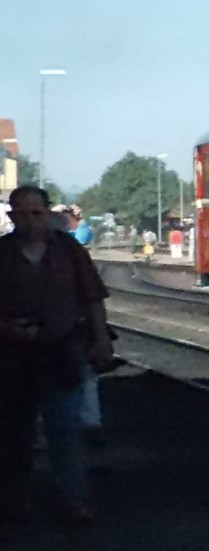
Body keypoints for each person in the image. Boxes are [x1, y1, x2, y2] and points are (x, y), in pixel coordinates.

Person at [0, 185, 113, 523]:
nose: (30, 220)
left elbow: (92, 298)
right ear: (12, 216)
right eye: (22, 214)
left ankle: (73, 501)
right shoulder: (2, 253)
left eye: (36, 213)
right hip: (11, 355)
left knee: (65, 429)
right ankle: (13, 504)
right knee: (13, 433)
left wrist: (101, 339)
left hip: (61, 351)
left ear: (47, 214)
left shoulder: (69, 251)